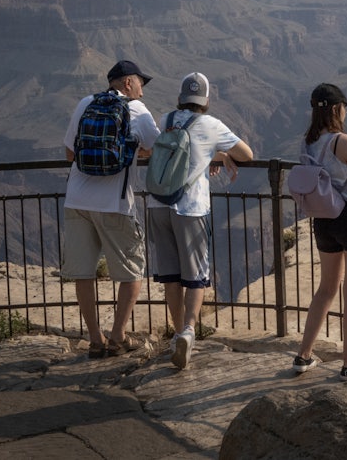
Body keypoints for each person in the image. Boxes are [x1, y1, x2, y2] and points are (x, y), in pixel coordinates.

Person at [147, 72, 254, 370]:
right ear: (205, 101)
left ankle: (175, 334)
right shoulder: (211, 124)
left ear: (181, 98)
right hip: (190, 208)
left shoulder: (165, 119)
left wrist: (213, 155)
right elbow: (246, 154)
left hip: (157, 204)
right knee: (196, 277)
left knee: (169, 275)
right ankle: (189, 332)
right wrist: (218, 154)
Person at [62, 59, 161, 358]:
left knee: (84, 273)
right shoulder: (137, 111)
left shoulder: (85, 103)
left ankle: (95, 339)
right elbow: (159, 148)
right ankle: (118, 336)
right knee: (132, 272)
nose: (142, 92)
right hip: (114, 205)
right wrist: (137, 151)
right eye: (141, 84)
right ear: (128, 83)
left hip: (76, 200)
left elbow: (70, 152)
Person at [292, 83, 347, 379]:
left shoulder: (308, 141)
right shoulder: (343, 141)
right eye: (343, 106)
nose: (346, 110)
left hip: (324, 219)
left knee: (327, 287)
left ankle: (303, 355)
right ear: (335, 109)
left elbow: (337, 169)